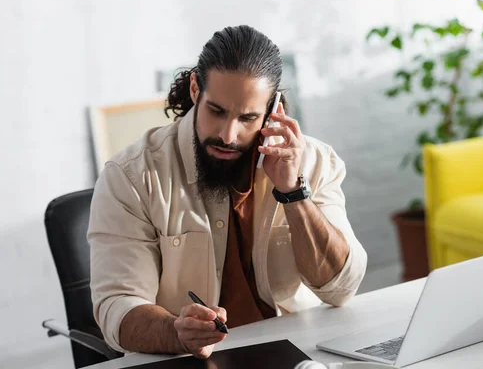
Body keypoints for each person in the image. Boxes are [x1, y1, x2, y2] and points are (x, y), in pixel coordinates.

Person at [88, 25, 368, 359]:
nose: (228, 135)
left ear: (272, 109)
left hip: (301, 355)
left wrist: (293, 191)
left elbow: (341, 288)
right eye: (216, 111)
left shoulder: (313, 162)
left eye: (248, 117)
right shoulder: (132, 176)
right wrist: (176, 331)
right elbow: (117, 308)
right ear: (195, 89)